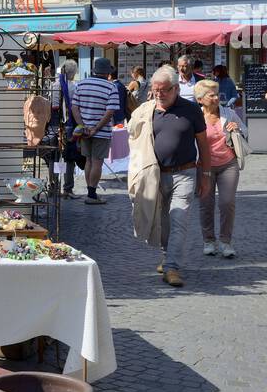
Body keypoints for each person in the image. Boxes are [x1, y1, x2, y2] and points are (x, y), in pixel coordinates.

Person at [127, 64, 210, 288]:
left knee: (179, 218)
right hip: (156, 174)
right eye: (155, 90)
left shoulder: (191, 109)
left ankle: (172, 266)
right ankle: (166, 256)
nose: (158, 94)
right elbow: (133, 135)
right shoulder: (148, 110)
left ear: (175, 89)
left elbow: (203, 144)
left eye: (163, 90)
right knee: (163, 223)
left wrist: (206, 174)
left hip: (185, 172)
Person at [195, 78, 247, 259]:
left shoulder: (228, 113)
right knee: (206, 204)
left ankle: (226, 242)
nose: (216, 98)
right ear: (200, 99)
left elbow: (245, 131)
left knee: (227, 203)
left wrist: (237, 128)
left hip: (228, 164)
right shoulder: (197, 116)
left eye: (217, 94)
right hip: (204, 166)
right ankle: (209, 240)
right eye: (212, 95)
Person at [70, 58, 121, 205]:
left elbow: (74, 107)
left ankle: (89, 192)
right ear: (107, 73)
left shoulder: (81, 84)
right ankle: (92, 195)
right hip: (102, 131)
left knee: (88, 161)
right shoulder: (111, 87)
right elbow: (110, 111)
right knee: (97, 162)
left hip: (84, 131)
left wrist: (83, 126)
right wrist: (96, 128)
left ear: (94, 70)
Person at [51, 59, 80, 198]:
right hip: (68, 124)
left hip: (54, 125)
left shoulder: (54, 85)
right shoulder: (73, 87)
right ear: (73, 73)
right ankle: (67, 188)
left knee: (55, 157)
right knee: (69, 158)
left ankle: (53, 187)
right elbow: (75, 107)